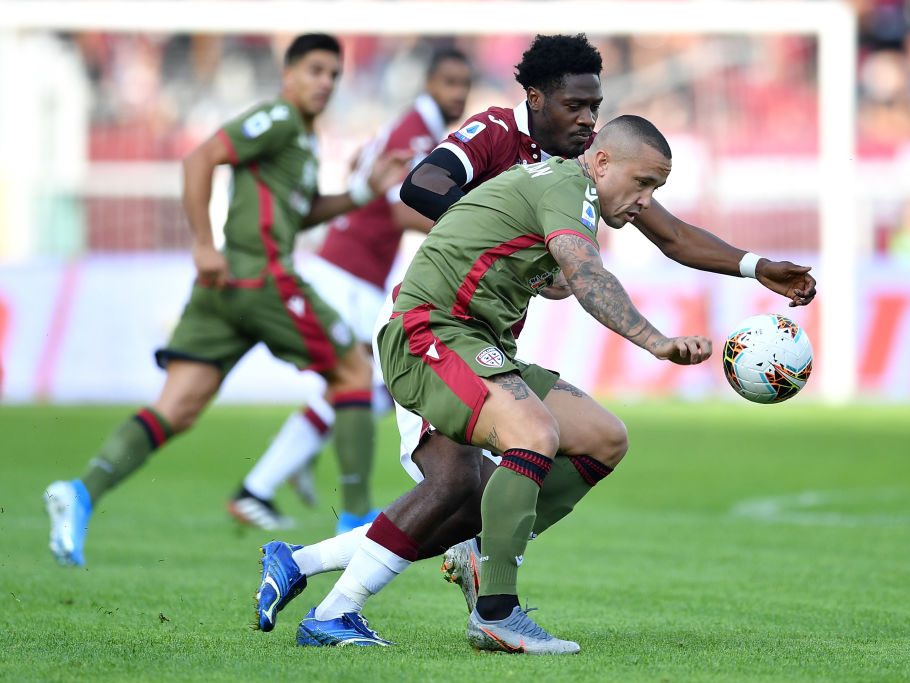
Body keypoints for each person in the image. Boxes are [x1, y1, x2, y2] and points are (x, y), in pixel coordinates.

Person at [251, 33, 816, 650]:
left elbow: (672, 234)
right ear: (536, 98)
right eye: (574, 106)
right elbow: (424, 187)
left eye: (594, 107)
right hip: (436, 330)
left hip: (489, 342)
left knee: (588, 444)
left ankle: (321, 564)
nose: (586, 118)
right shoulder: (507, 141)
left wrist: (755, 266)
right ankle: (420, 607)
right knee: (461, 484)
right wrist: (512, 232)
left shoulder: (589, 177)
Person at [43, 34, 407, 568]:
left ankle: (79, 492)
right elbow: (199, 158)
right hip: (261, 277)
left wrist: (360, 192)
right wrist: (201, 243)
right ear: (288, 75)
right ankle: (356, 524)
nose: (325, 83)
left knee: (178, 407)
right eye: (315, 70)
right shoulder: (278, 119)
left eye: (334, 74)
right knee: (354, 370)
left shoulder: (302, 141)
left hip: (224, 290)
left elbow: (296, 213)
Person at [227, 48, 473, 533]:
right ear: (427, 83)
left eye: (464, 84)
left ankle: (285, 464)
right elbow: (405, 209)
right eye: (449, 82)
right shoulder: (416, 131)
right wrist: (473, 234)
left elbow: (365, 166)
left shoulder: (413, 129)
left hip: (354, 271)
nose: (458, 94)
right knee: (372, 384)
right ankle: (266, 484)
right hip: (347, 274)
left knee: (364, 386)